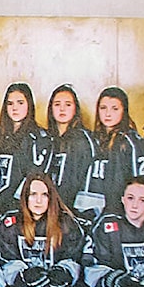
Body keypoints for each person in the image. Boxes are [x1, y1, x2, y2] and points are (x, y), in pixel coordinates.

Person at [0, 82, 53, 221]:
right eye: (10, 103)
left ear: (29, 105)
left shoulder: (39, 137)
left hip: (20, 213)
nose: (15, 108)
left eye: (20, 103)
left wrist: (16, 207)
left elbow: (35, 179)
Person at [86, 86, 144, 219]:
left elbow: (139, 183)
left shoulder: (129, 142)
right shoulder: (94, 139)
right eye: (103, 108)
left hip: (119, 215)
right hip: (95, 213)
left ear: (124, 111)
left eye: (115, 109)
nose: (108, 114)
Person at [44, 84, 98, 218]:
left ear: (75, 109)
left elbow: (85, 181)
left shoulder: (83, 139)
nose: (62, 109)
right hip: (46, 211)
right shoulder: (45, 139)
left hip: (71, 214)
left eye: (68, 104)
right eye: (57, 104)